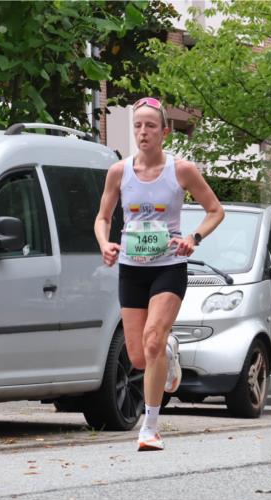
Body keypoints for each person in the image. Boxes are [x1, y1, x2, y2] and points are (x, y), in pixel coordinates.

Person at [94, 97, 224, 451]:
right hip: (131, 268)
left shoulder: (182, 170)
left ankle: (149, 427)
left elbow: (215, 210)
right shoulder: (118, 172)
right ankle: (169, 350)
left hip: (169, 266)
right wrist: (105, 243)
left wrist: (193, 238)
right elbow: (103, 217)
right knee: (138, 356)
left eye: (150, 126)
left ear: (164, 132)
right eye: (138, 125)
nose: (143, 132)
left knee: (152, 340)